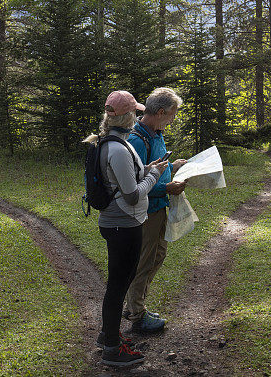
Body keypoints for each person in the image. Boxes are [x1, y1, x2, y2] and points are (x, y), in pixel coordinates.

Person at [85, 90, 170, 367]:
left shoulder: (112, 143)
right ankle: (112, 349)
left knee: (118, 283)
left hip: (119, 222)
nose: (138, 116)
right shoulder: (118, 149)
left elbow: (130, 175)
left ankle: (108, 336)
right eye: (135, 112)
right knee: (117, 286)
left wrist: (149, 168)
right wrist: (155, 176)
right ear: (127, 116)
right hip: (122, 224)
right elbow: (133, 194)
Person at [124, 87, 187, 334]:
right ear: (161, 112)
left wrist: (172, 165)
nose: (173, 120)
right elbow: (134, 185)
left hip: (160, 208)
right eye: (172, 115)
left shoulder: (156, 134)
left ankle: (134, 303)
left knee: (158, 255)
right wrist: (165, 189)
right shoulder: (137, 140)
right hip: (147, 211)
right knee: (144, 261)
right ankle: (136, 313)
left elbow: (155, 167)